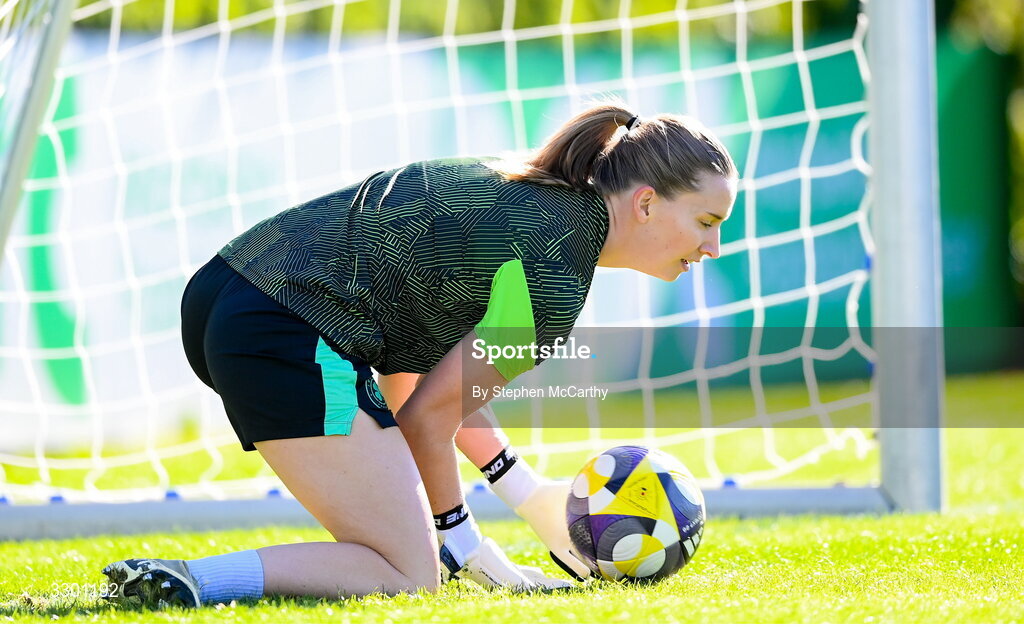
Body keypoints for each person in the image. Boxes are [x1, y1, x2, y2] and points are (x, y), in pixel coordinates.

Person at [100, 103, 737, 607]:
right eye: (707, 221)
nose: (712, 248)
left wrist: (525, 494)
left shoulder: (538, 197)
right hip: (284, 325)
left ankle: (178, 578)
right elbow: (429, 418)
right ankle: (183, 579)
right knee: (411, 573)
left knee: (411, 552)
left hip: (231, 290)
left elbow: (416, 383)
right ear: (647, 201)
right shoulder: (557, 277)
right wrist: (463, 541)